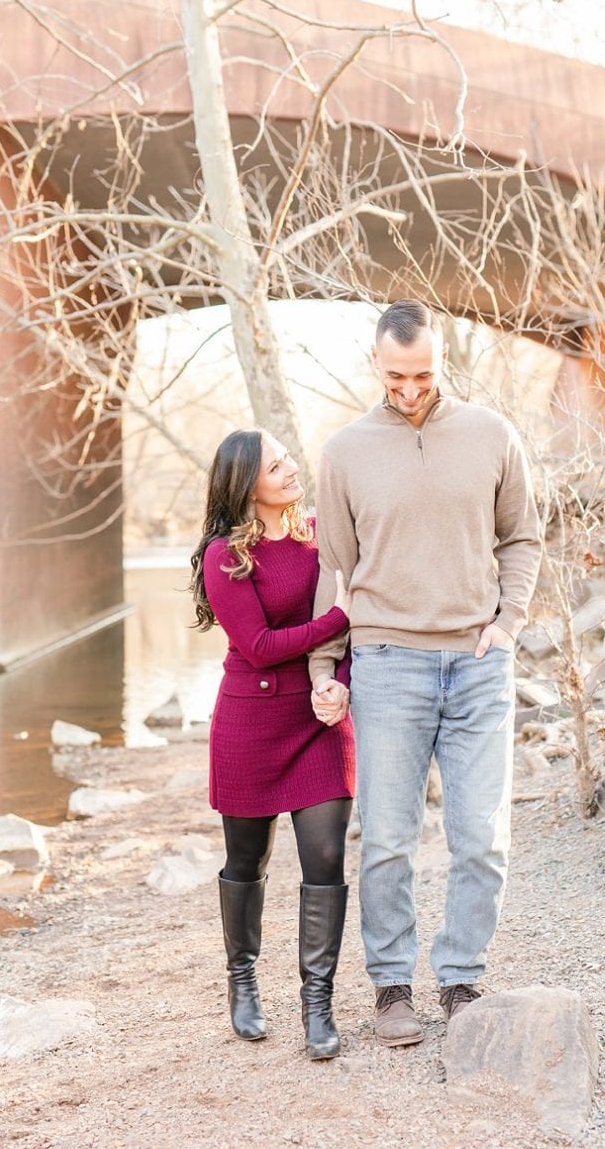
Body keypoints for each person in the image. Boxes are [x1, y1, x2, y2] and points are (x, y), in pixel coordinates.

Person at [308, 299, 541, 1046]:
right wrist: (324, 665)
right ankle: (392, 987)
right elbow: (332, 567)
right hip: (386, 662)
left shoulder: (492, 434)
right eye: (396, 375)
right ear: (377, 365)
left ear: (442, 360)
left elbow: (523, 537)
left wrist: (507, 625)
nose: (410, 389)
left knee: (481, 835)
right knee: (386, 838)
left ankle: (463, 975)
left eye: (424, 374)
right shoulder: (345, 450)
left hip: (477, 664)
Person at [191, 429, 355, 1061]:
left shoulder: (322, 534)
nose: (290, 469)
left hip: (318, 720)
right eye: (274, 466)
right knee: (246, 860)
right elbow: (258, 645)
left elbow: (349, 638)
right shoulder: (225, 555)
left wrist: (336, 683)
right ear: (245, 485)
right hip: (251, 724)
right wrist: (338, 618)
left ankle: (318, 1003)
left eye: (289, 457)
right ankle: (243, 982)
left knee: (325, 858)